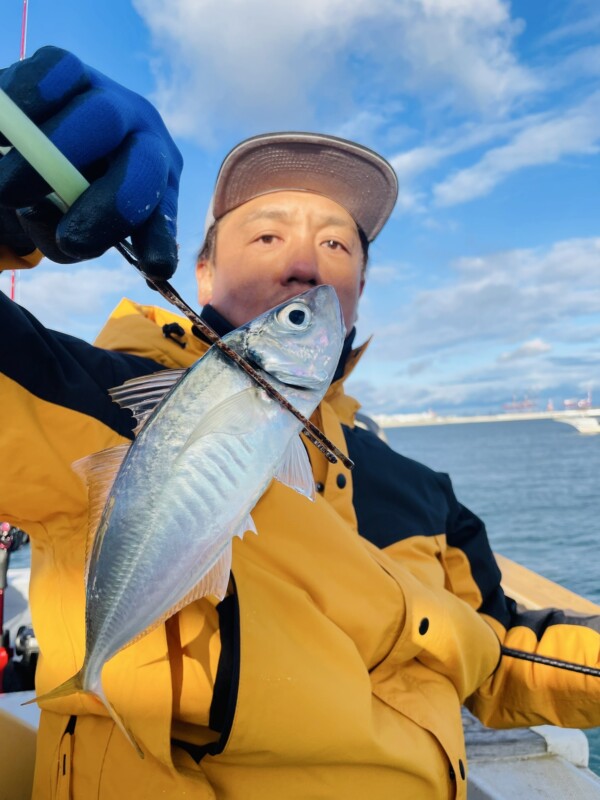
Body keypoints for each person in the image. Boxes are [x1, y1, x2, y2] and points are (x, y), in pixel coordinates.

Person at [0, 47, 598, 800]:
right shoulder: (95, 399)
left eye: (338, 246)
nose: (307, 268)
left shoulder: (417, 491)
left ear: (360, 293)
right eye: (267, 235)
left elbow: (504, 647)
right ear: (203, 275)